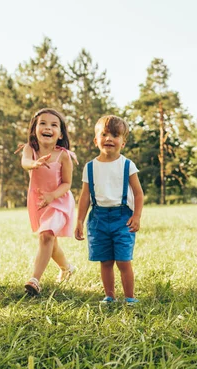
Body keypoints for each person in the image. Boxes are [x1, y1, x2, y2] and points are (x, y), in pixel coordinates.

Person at [75, 115, 144, 305]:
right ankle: (110, 296)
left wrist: (136, 216)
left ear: (123, 142)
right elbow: (84, 197)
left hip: (122, 218)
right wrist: (80, 220)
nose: (109, 139)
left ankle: (130, 297)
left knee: (123, 260)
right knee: (105, 261)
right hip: (98, 218)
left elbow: (138, 194)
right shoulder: (90, 167)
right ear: (96, 140)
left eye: (115, 135)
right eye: (104, 134)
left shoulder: (127, 165)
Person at [19, 108, 78, 296]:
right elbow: (25, 162)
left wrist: (53, 195)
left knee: (46, 236)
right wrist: (34, 164)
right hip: (38, 201)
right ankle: (67, 268)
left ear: (60, 134)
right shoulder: (31, 150)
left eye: (54, 125)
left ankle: (34, 280)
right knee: (50, 242)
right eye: (42, 123)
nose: (47, 127)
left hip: (59, 201)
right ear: (35, 129)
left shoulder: (63, 155)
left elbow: (68, 183)